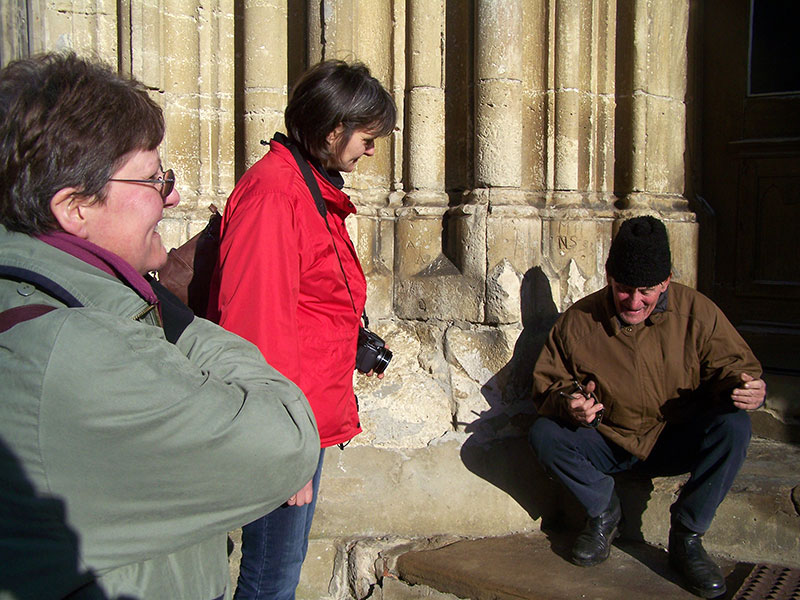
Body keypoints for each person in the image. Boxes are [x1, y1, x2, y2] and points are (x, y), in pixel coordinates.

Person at [0, 52, 320, 599]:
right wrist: (170, 312)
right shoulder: (75, 345)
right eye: (154, 180)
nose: (173, 196)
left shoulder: (49, 297)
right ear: (75, 207)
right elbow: (288, 439)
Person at [207, 59, 396, 600]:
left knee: (275, 574)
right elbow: (255, 328)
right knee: (271, 580)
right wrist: (283, 448)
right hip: (284, 422)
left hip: (299, 415)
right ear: (333, 128)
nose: (371, 149)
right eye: (366, 136)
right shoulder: (276, 192)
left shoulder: (307, 185)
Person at [528, 216, 766, 599]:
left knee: (735, 426)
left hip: (673, 440)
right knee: (544, 433)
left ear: (666, 281)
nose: (634, 302)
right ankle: (604, 512)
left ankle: (688, 535)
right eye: (623, 289)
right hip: (610, 440)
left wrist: (747, 389)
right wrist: (570, 404)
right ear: (609, 277)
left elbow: (738, 368)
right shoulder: (579, 320)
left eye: (646, 291)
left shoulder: (697, 312)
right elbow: (547, 384)